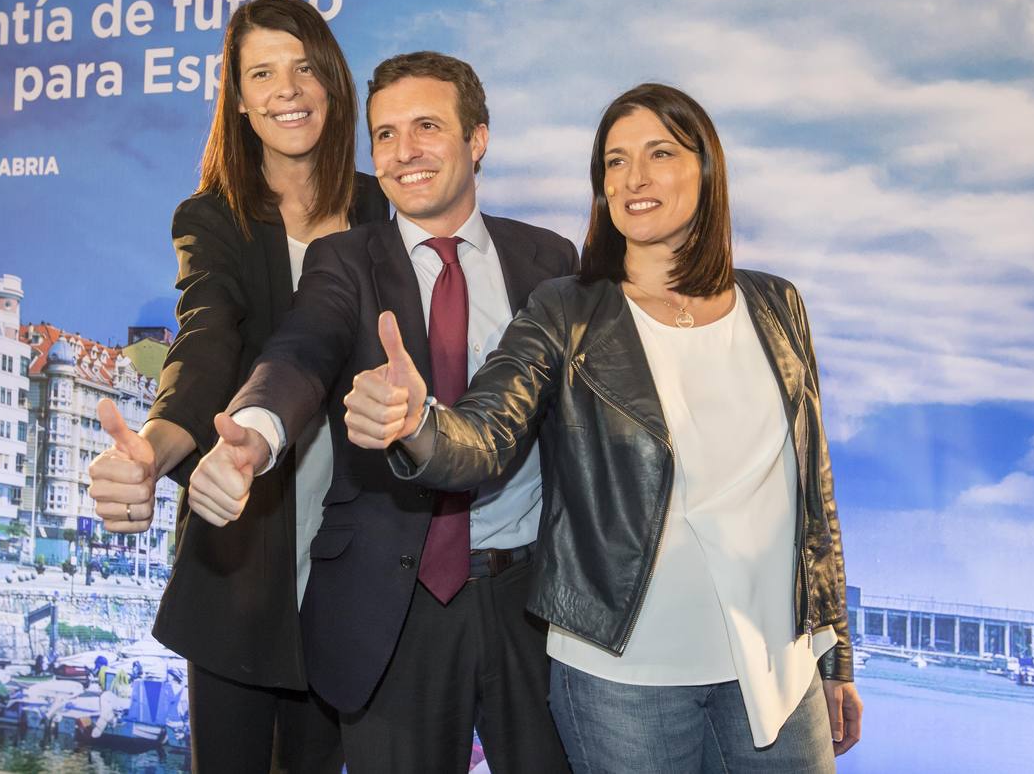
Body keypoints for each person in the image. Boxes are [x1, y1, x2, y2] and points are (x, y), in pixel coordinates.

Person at [343, 83, 863, 772]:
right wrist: (419, 424)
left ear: (707, 171)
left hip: (777, 670)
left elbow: (811, 493)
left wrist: (836, 654)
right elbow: (487, 435)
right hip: (624, 677)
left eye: (659, 153)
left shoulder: (775, 304)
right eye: (614, 162)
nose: (634, 178)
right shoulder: (569, 309)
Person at [185, 52, 576, 773]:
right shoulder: (345, 260)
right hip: (392, 609)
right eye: (386, 135)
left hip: (530, 600)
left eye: (426, 126)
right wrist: (258, 435)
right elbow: (298, 353)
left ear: (477, 139)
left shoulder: (550, 261)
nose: (403, 153)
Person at [85, 0, 388, 774]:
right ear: (240, 99)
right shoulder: (213, 217)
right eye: (263, 73)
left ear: (333, 82)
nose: (287, 89)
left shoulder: (379, 210)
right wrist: (152, 453)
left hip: (354, 554)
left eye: (304, 67)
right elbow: (206, 341)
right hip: (240, 553)